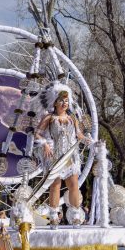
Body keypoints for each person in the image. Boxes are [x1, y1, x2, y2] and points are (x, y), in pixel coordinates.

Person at [35, 84, 91, 218]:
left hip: (70, 156)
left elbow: (79, 134)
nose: (64, 103)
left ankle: (76, 215)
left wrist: (89, 141)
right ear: (54, 103)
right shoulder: (49, 118)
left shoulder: (72, 118)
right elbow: (37, 133)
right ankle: (54, 215)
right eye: (61, 100)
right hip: (55, 156)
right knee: (55, 185)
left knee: (74, 185)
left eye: (66, 101)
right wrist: (45, 145)